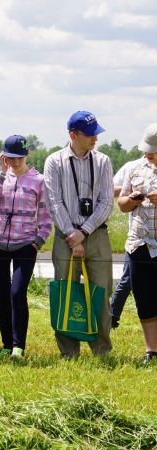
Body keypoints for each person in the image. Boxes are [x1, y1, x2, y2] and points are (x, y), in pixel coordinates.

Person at [43, 111, 113, 358]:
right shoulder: (54, 161)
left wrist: (83, 232)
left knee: (101, 293)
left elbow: (106, 202)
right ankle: (69, 351)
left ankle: (102, 349)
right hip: (65, 235)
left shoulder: (103, 161)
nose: (95, 138)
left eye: (96, 132)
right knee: (65, 292)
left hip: (96, 235)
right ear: (73, 135)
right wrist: (72, 234)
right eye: (90, 134)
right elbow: (53, 201)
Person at [0, 135, 52, 358]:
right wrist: (1, 174)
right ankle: (6, 344)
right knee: (0, 294)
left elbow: (45, 214)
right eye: (9, 158)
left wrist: (38, 240)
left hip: (25, 243)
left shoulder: (38, 181)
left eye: (18, 158)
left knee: (17, 292)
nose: (14, 162)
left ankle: (18, 344)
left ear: (27, 155)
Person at [118, 123, 157, 365]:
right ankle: (151, 350)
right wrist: (131, 200)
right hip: (139, 244)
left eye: (153, 150)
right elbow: (121, 204)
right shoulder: (134, 167)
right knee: (144, 298)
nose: (148, 154)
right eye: (147, 149)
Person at [110, 156, 142, 329]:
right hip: (138, 238)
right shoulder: (132, 167)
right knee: (128, 279)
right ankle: (112, 316)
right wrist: (132, 190)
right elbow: (111, 189)